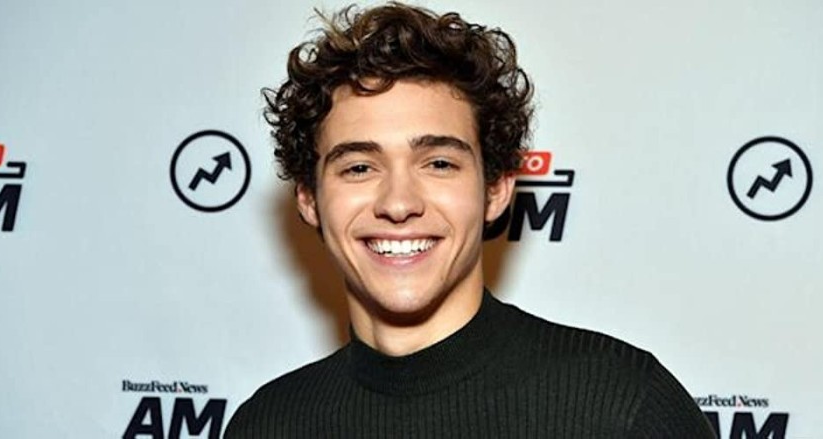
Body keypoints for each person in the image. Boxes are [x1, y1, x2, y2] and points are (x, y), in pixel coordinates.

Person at [225, 2, 715, 438]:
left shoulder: (621, 405)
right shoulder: (267, 424)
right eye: (359, 167)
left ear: (496, 190)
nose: (399, 203)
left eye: (439, 163)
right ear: (309, 198)